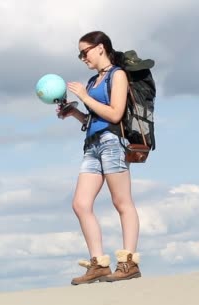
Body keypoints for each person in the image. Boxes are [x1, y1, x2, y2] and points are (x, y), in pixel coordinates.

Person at [57, 31, 141, 285]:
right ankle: (99, 264)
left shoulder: (118, 75)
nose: (83, 57)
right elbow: (94, 119)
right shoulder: (94, 80)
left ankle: (129, 263)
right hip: (92, 145)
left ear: (101, 48)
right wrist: (75, 113)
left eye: (85, 52)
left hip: (112, 142)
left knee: (121, 202)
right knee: (80, 204)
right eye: (80, 54)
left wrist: (83, 97)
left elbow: (115, 114)